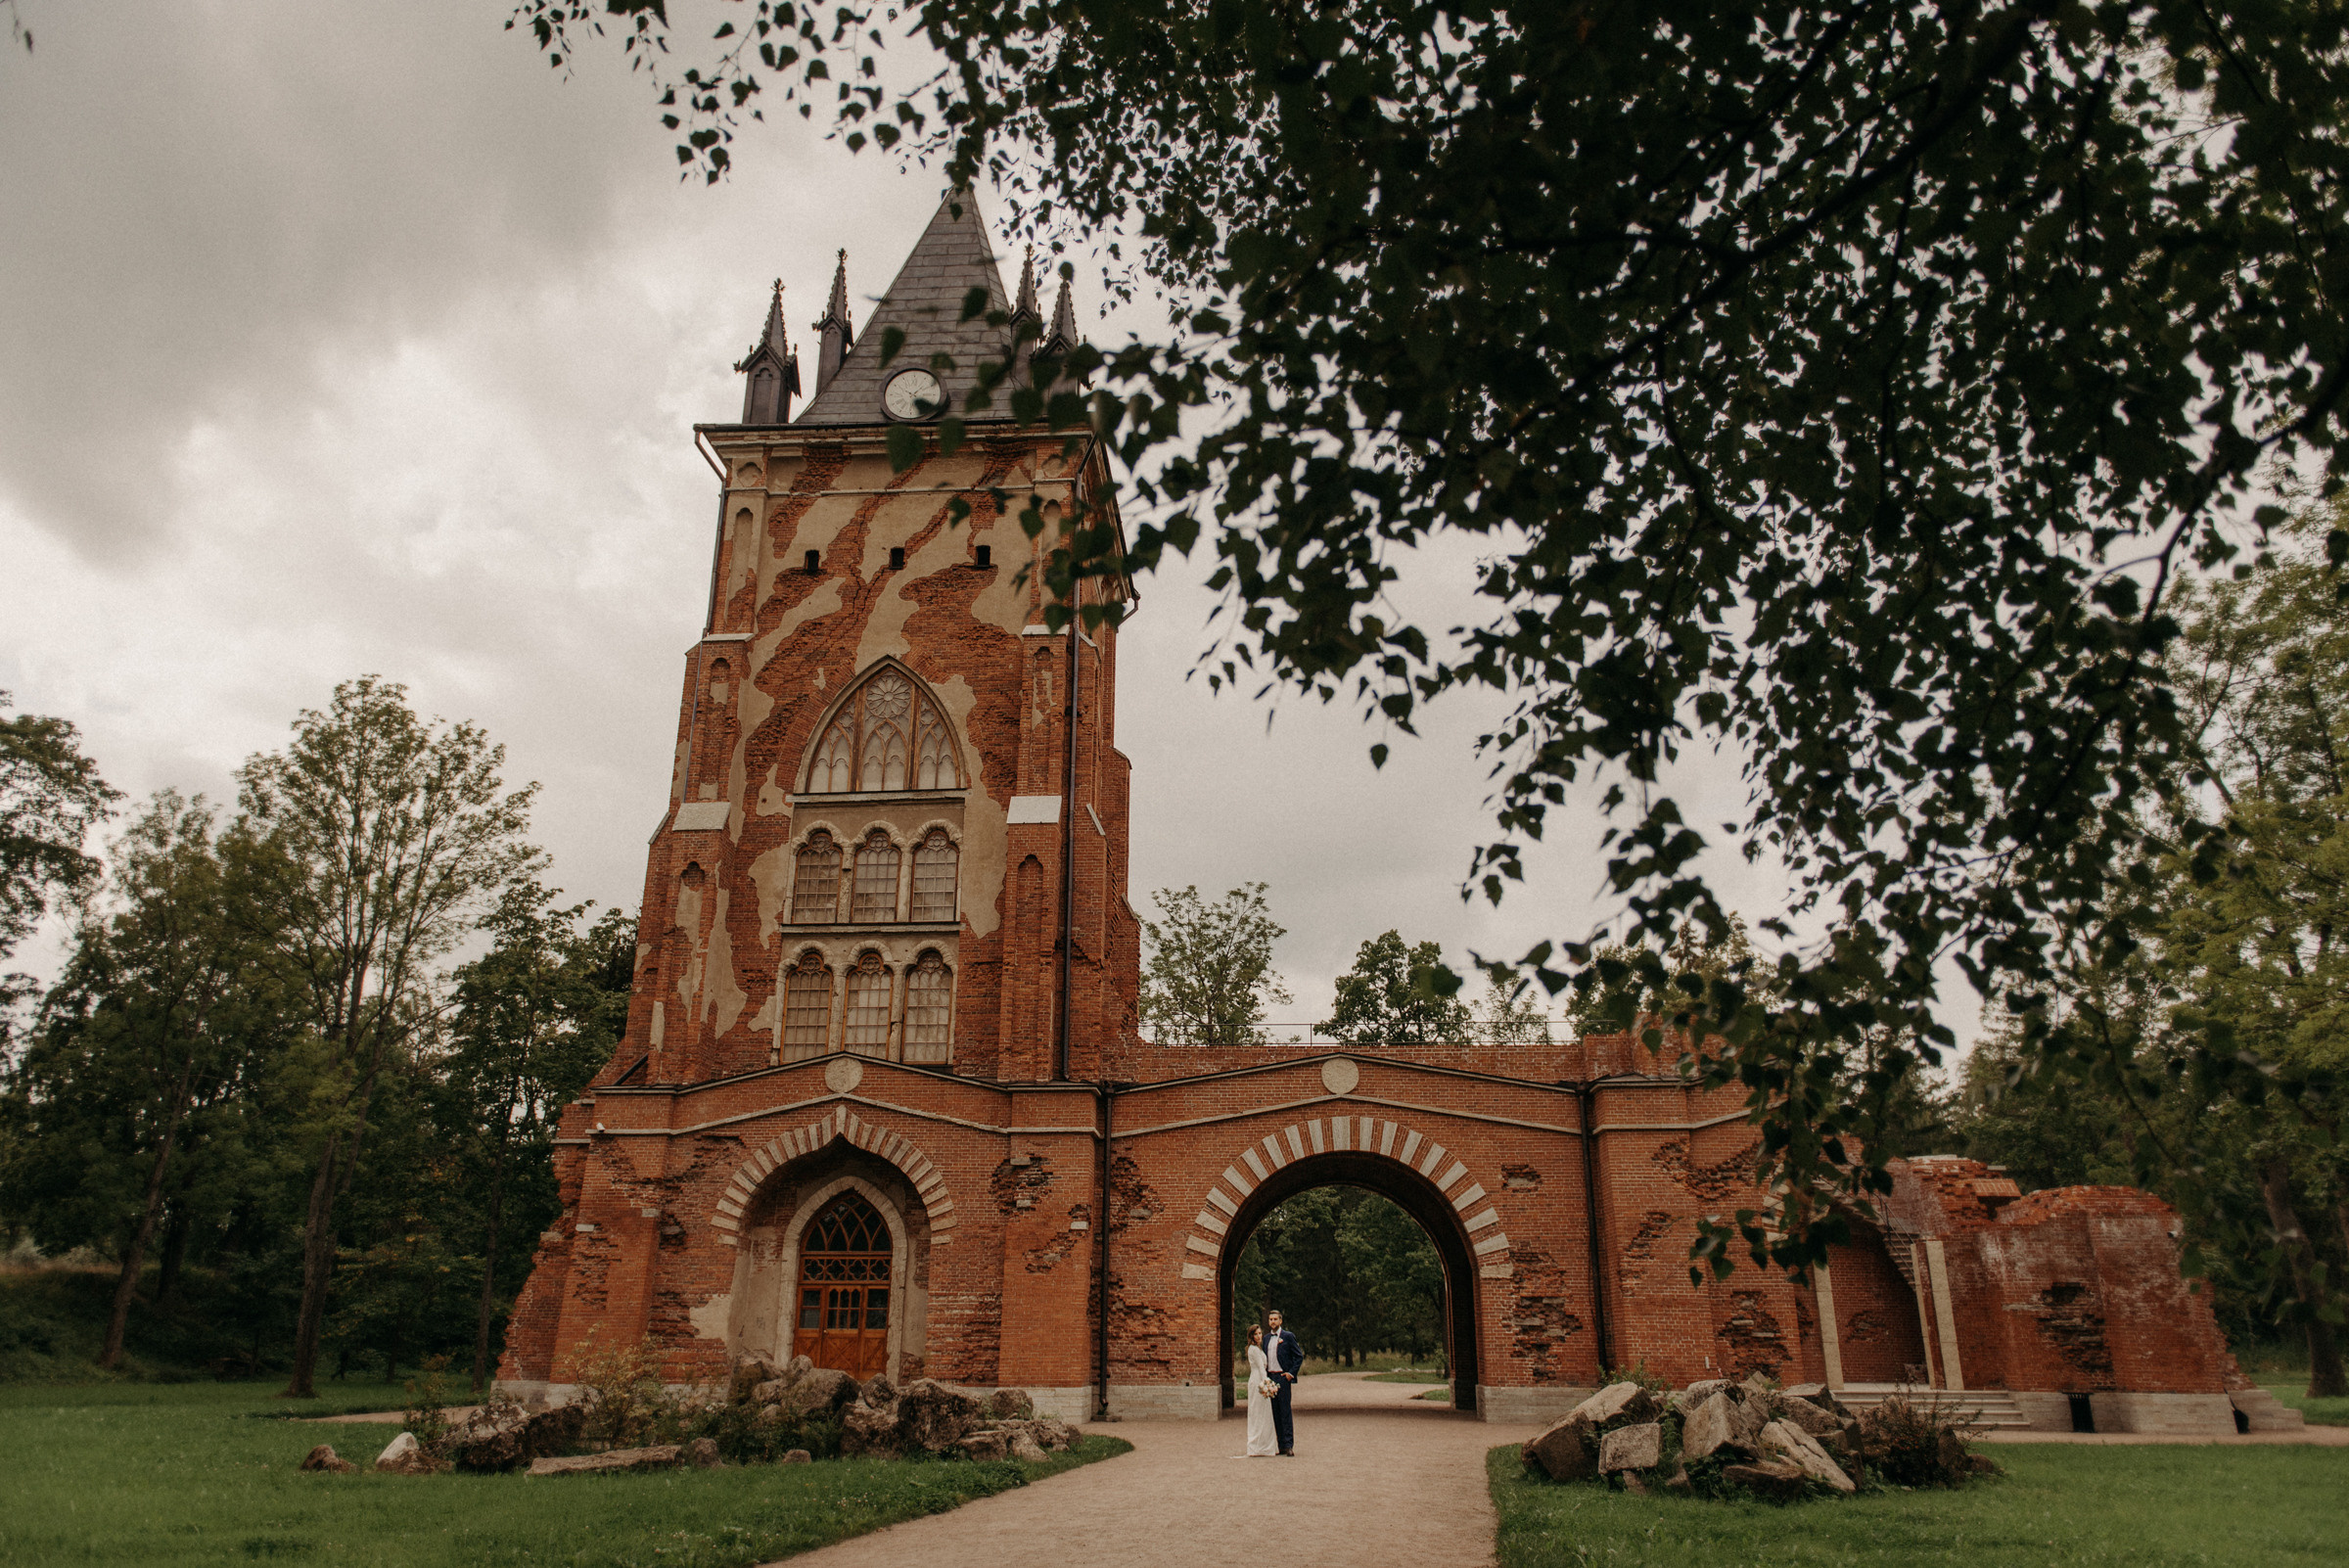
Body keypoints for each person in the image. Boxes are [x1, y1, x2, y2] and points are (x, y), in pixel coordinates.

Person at [1266, 1309, 1303, 1455]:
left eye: (1275, 1319)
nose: (1273, 1322)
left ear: (1280, 1321)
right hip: (1270, 1379)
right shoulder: (1266, 1339)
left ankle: (1288, 1445)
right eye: (1271, 1319)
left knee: (1285, 1412)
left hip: (1282, 1378)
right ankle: (1280, 1444)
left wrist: (1290, 1374)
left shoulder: (1288, 1336)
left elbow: (1298, 1356)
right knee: (1275, 1412)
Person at [1242, 1324, 1279, 1456]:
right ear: (1252, 1336)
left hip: (1260, 1378)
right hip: (1258, 1380)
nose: (1259, 1336)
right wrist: (1267, 1384)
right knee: (1258, 1412)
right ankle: (1257, 1445)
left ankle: (1265, 1445)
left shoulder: (1258, 1349)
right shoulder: (1253, 1350)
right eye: (1256, 1334)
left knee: (1264, 1412)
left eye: (1260, 1333)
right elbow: (1261, 1368)